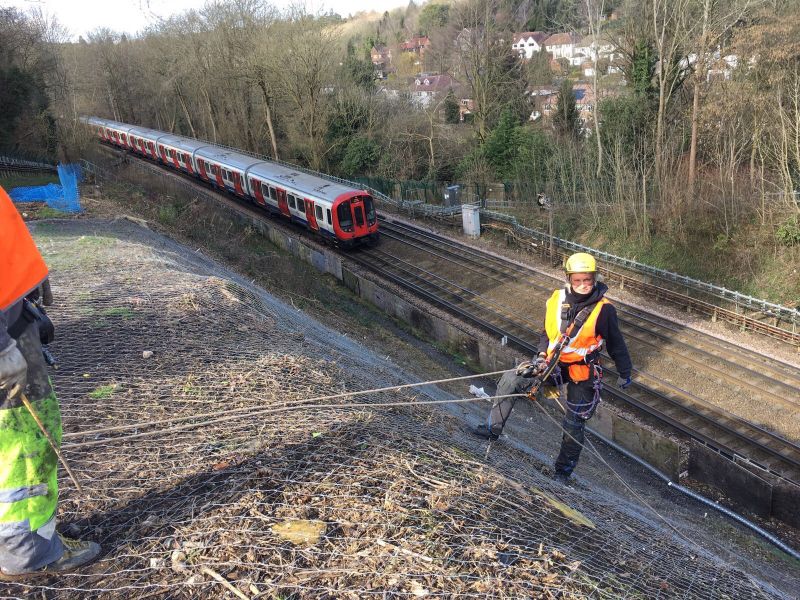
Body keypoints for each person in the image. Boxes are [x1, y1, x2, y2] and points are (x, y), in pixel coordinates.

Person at [0, 185, 100, 579]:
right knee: (24, 438)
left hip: (10, 314)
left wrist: (24, 282)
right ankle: (28, 549)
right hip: (6, 335)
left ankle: (24, 537)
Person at [473, 252, 633, 484]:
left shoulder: (604, 310)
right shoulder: (557, 299)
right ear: (569, 279)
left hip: (582, 370)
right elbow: (546, 333)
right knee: (511, 379)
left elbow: (616, 343)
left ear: (595, 278)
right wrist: (540, 357)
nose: (583, 285)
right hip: (551, 363)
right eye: (577, 280)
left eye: (587, 280)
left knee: (574, 422)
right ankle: (491, 429)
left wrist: (625, 372)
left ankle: (562, 472)